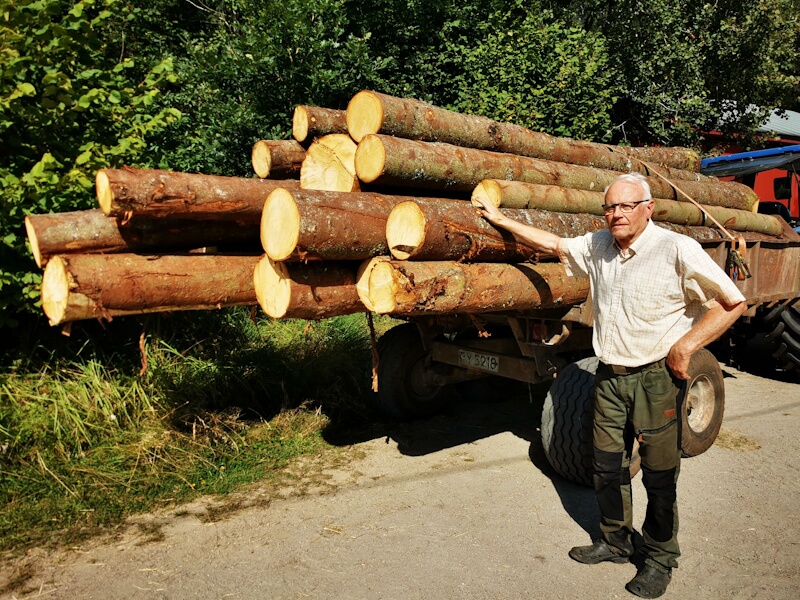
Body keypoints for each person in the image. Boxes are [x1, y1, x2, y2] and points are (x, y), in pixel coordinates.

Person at [475, 172, 747, 599]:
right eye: (609, 207)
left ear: (648, 208)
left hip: (655, 379)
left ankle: (659, 559)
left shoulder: (677, 249)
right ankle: (615, 541)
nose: (615, 215)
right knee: (606, 466)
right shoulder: (599, 245)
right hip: (609, 377)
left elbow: (732, 303)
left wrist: (686, 348)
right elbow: (551, 244)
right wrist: (499, 218)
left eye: (625, 206)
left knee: (659, 476)